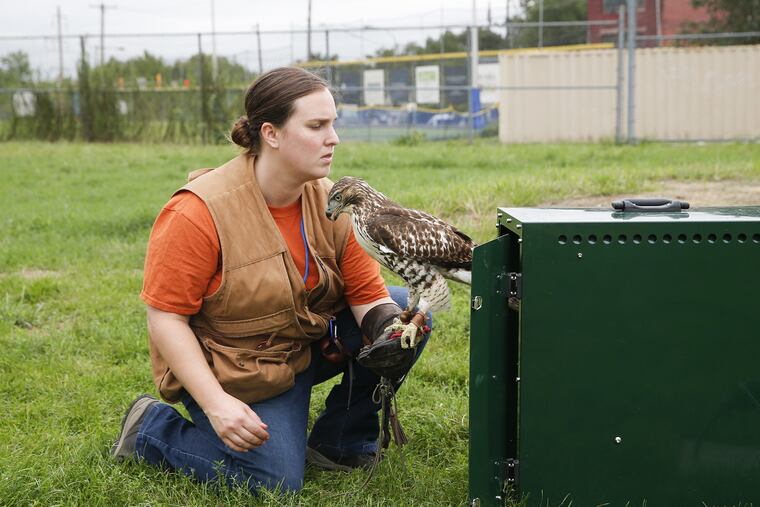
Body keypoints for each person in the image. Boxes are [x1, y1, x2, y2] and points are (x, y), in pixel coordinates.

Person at [109, 67, 430, 494]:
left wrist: (388, 326)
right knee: (274, 481)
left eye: (333, 124)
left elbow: (368, 295)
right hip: (234, 367)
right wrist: (216, 404)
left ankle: (339, 442)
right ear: (271, 134)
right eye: (316, 126)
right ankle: (151, 429)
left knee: (406, 312)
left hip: (302, 344)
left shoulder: (328, 200)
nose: (333, 138)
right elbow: (166, 319)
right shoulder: (198, 212)